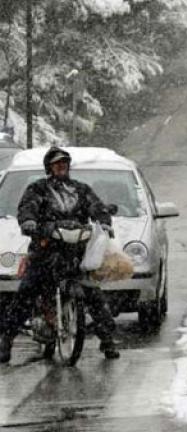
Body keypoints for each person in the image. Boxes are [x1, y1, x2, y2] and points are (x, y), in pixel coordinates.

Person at [0, 147, 120, 363]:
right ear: (49, 168)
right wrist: (29, 222)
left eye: (64, 162)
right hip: (46, 252)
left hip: (76, 254)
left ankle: (108, 340)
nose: (61, 166)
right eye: (57, 163)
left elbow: (97, 207)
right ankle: (6, 339)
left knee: (93, 294)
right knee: (27, 292)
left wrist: (104, 222)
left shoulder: (81, 189)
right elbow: (27, 208)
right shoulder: (38, 189)